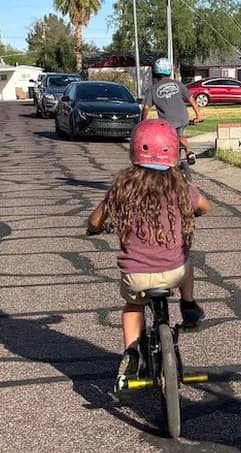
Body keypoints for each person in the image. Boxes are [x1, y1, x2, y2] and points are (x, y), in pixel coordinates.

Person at [87, 119, 209, 391]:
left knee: (133, 307)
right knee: (187, 260)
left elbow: (96, 221)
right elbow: (204, 206)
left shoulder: (122, 188)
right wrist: (194, 210)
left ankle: (130, 353)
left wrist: (93, 227)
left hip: (137, 277)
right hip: (174, 272)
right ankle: (188, 305)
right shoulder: (180, 186)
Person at [142, 57, 204, 165]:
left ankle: (183, 154)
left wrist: (143, 121)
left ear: (155, 72)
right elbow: (191, 99)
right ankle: (186, 153)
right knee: (178, 136)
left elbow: (146, 108)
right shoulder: (178, 84)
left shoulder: (153, 89)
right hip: (183, 117)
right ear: (169, 71)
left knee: (171, 139)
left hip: (167, 122)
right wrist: (198, 115)